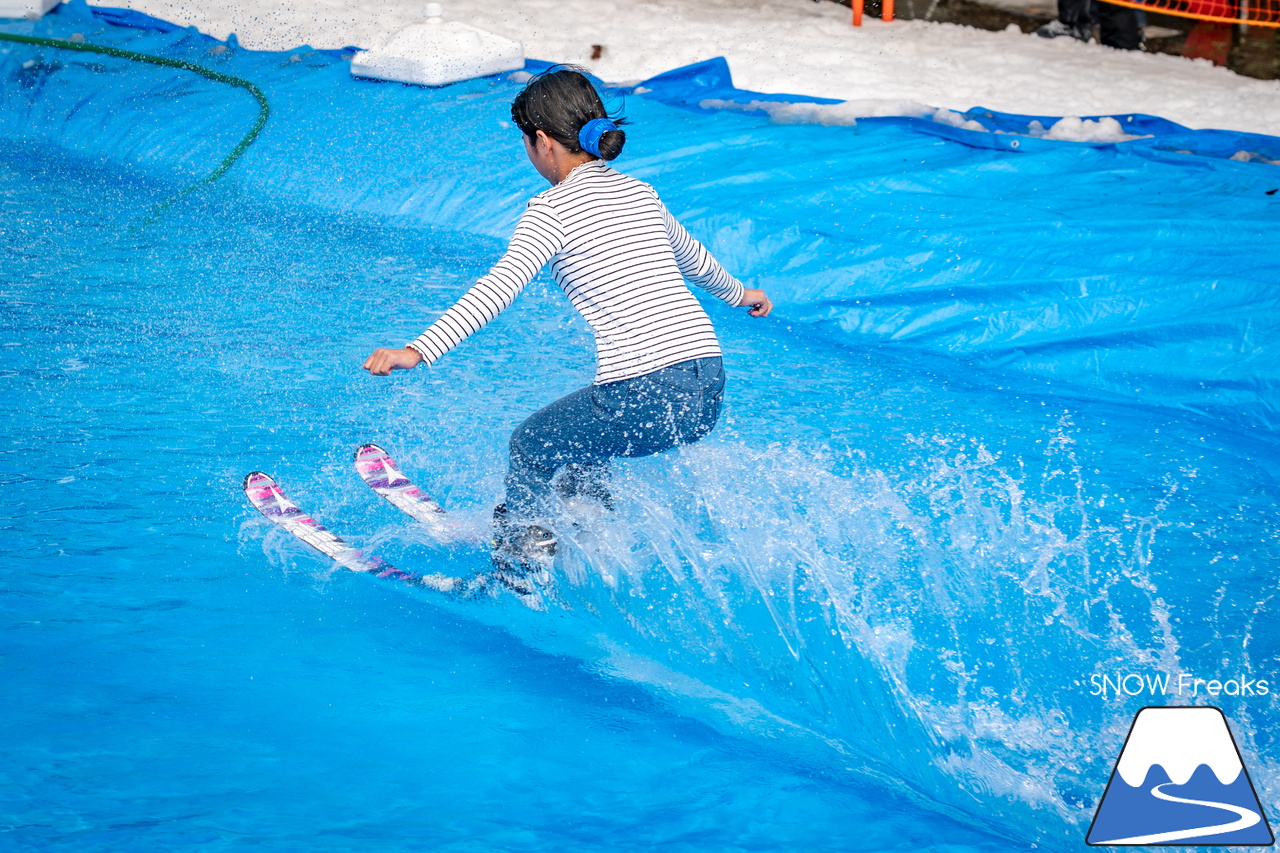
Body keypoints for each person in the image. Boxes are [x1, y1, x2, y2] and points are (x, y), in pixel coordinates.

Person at [363, 67, 772, 569]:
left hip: (646, 390)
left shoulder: (550, 209)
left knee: (531, 445)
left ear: (541, 141)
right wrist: (741, 294)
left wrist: (418, 349)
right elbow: (695, 261)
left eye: (526, 142)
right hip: (707, 387)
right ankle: (590, 531)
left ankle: (521, 564)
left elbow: (499, 286)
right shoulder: (641, 193)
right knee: (580, 440)